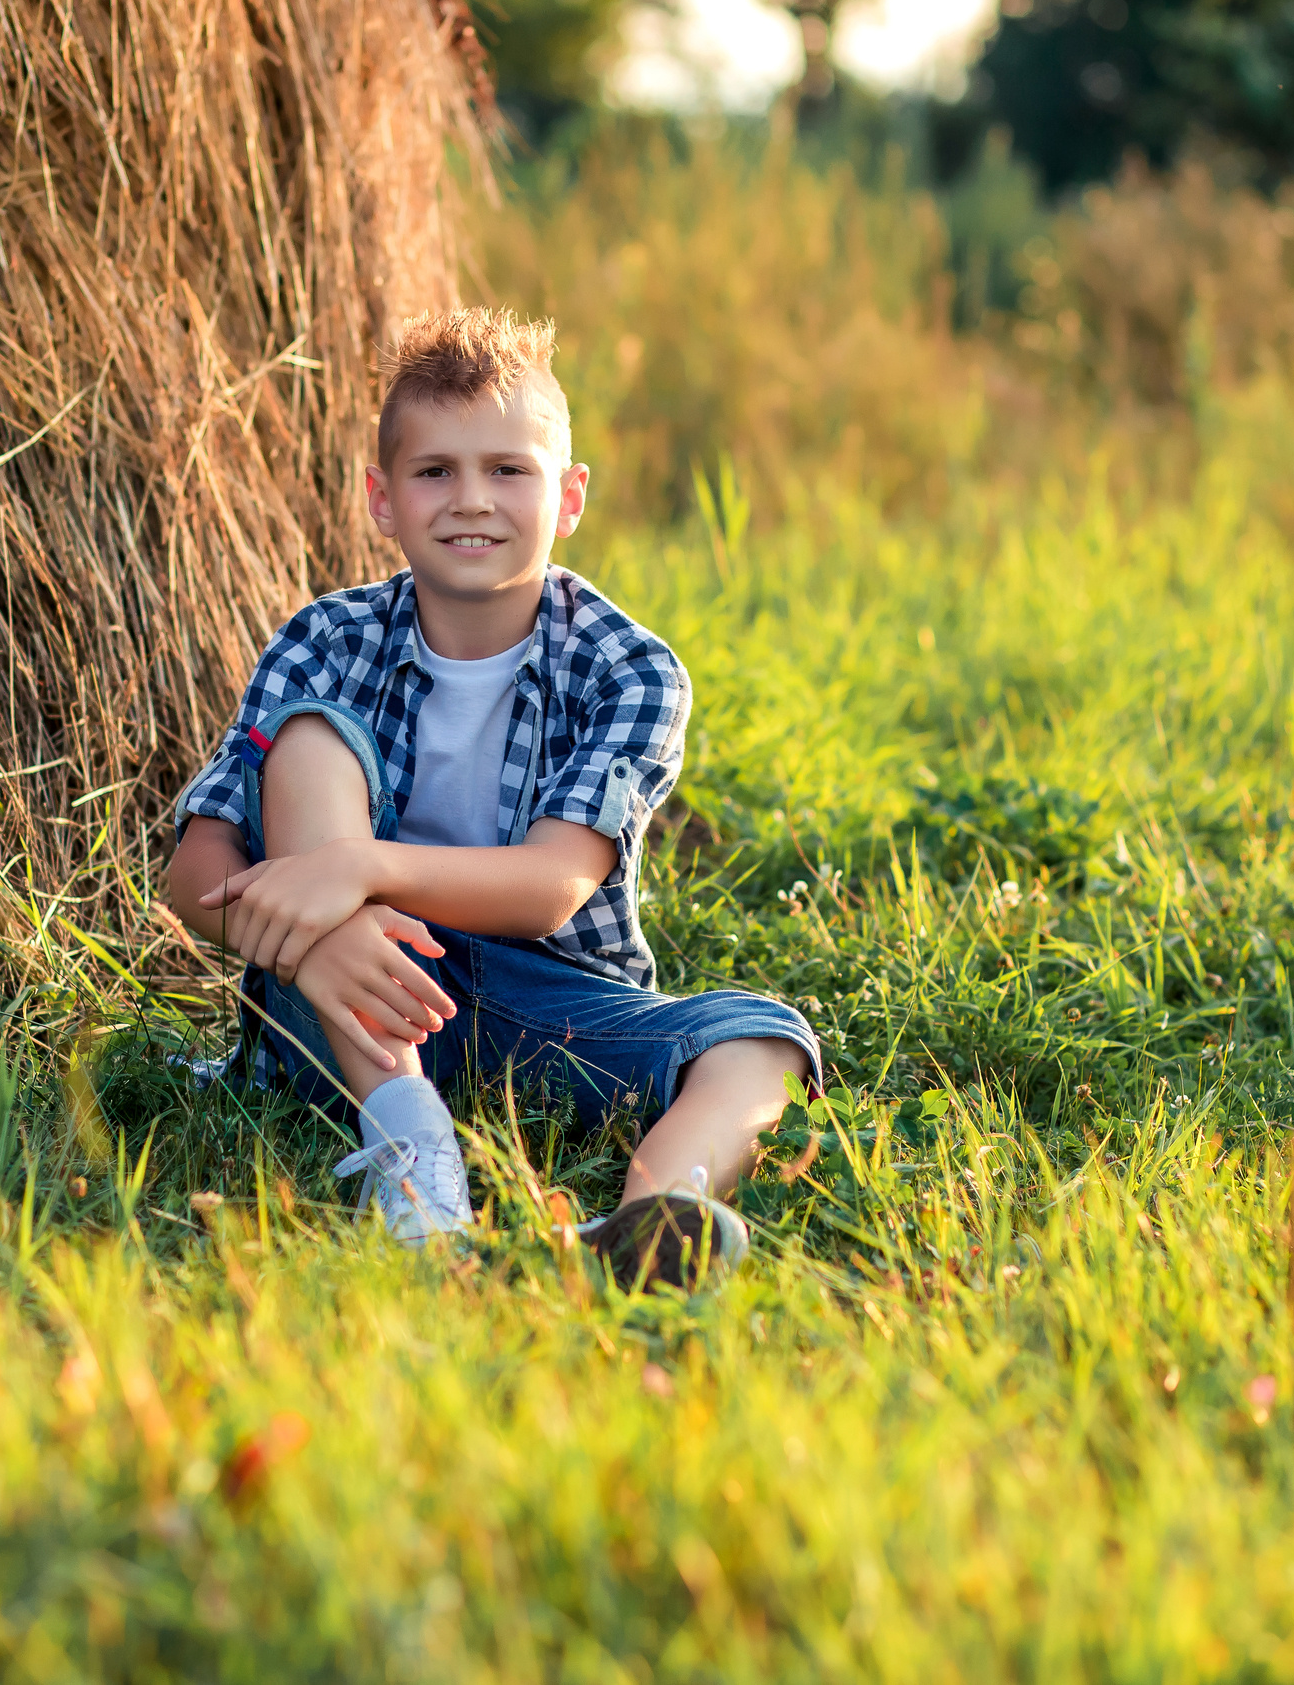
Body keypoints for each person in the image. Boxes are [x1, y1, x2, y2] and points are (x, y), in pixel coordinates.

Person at [160, 308, 819, 1289]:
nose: (471, 499)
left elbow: (552, 886)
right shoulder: (324, 641)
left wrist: (354, 869)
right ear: (383, 500)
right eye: (435, 472)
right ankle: (416, 1168)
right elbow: (195, 871)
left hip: (543, 999)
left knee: (763, 1043)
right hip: (336, 1007)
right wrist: (322, 936)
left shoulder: (630, 669)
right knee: (309, 735)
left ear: (569, 496)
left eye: (508, 469)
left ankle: (644, 1224)